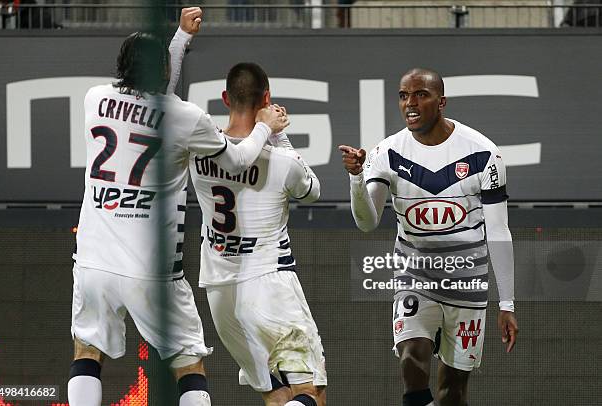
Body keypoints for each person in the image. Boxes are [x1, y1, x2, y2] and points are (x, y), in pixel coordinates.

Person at [68, 8, 289, 406]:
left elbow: (147, 99)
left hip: (94, 261)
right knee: (189, 366)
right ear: (162, 69)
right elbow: (238, 161)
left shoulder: (94, 99)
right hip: (153, 272)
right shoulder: (187, 118)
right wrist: (264, 128)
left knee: (87, 353)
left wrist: (180, 39)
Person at [339, 68, 518, 406]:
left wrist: (506, 304)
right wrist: (356, 178)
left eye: (421, 94)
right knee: (412, 358)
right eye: (404, 95)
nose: (410, 103)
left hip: (467, 282)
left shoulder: (483, 154)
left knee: (453, 393)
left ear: (442, 101)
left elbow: (497, 230)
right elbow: (367, 222)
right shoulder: (387, 153)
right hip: (414, 276)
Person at [168, 31, 327, 406]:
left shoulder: (198, 151)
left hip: (221, 290)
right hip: (269, 283)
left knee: (274, 394)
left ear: (225, 99)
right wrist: (279, 137)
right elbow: (313, 190)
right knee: (311, 393)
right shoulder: (282, 161)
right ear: (267, 101)